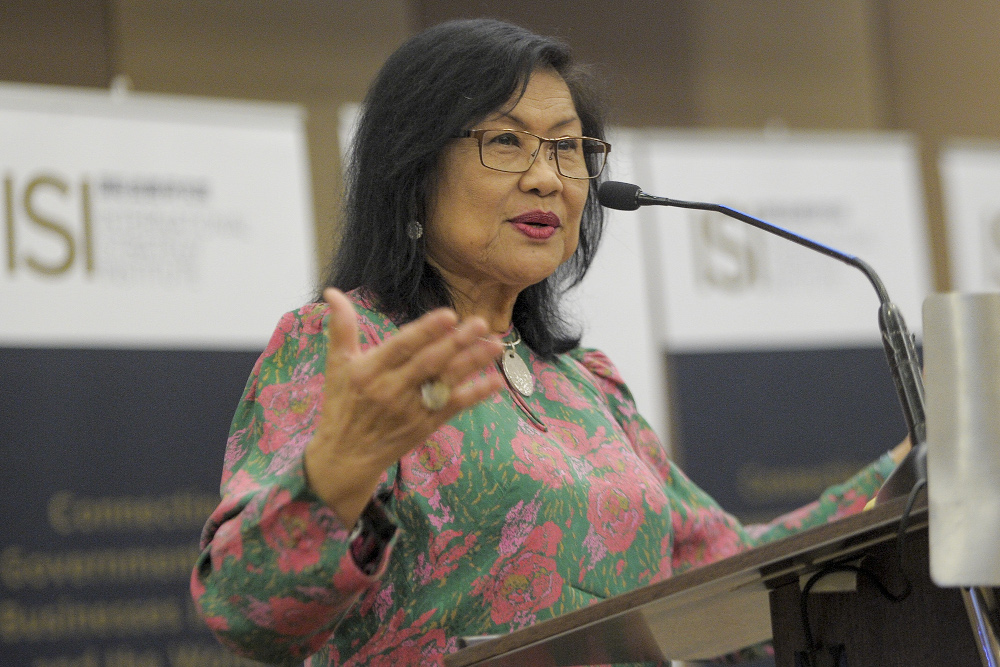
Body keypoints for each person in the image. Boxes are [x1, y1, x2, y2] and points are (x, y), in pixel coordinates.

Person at [190, 18, 910, 667]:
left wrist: (924, 463)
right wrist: (338, 472)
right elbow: (249, 612)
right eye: (506, 141)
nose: (548, 177)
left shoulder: (588, 384)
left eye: (568, 149)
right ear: (412, 169)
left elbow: (729, 578)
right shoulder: (347, 354)